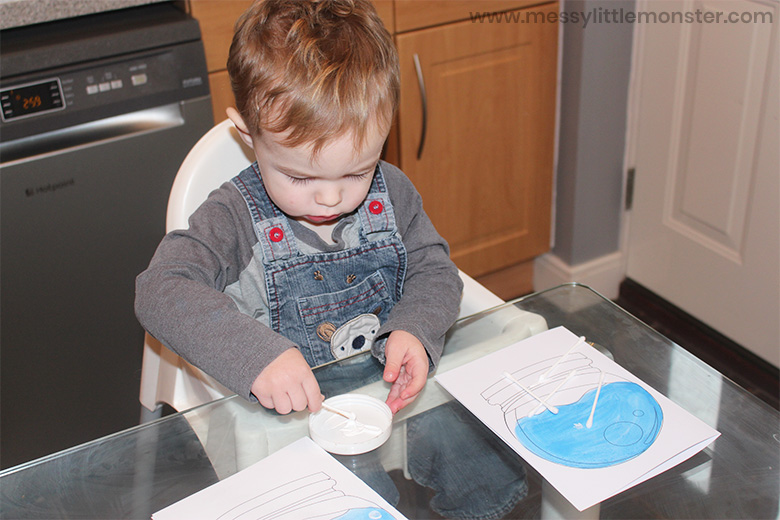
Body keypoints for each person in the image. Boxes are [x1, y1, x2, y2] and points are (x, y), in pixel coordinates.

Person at [136, 1, 526, 517]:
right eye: (300, 177)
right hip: (299, 411)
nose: (330, 199)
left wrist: (415, 327)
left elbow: (434, 268)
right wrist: (255, 357)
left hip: (391, 382)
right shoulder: (233, 217)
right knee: (356, 504)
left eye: (357, 171)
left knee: (487, 463)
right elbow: (160, 290)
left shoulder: (395, 193)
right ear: (248, 135)